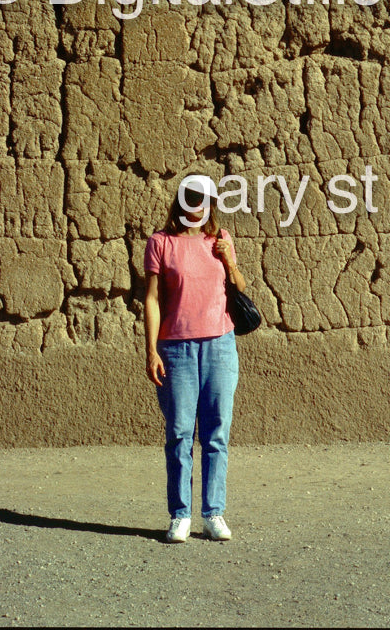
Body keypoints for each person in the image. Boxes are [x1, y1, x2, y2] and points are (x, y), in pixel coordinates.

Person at [143, 173, 247, 543]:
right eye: (192, 200)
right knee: (179, 434)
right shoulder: (161, 243)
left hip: (220, 346)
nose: (198, 208)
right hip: (177, 350)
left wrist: (229, 261)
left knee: (217, 433)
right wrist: (151, 348)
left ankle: (214, 513)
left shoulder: (220, 239)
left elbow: (240, 287)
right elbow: (152, 299)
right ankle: (180, 514)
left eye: (204, 201)